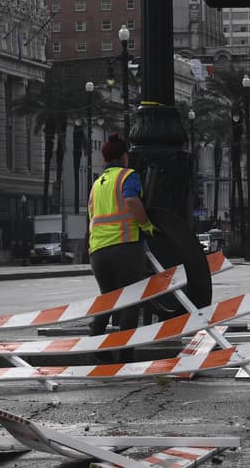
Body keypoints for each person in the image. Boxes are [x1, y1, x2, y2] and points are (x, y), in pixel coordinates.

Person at [86, 133, 155, 357]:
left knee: (108, 297)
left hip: (98, 252)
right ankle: (126, 353)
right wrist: (146, 225)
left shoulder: (97, 184)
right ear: (125, 157)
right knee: (130, 301)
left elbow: (92, 215)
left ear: (104, 158)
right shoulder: (128, 176)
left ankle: (97, 339)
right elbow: (131, 201)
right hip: (125, 246)